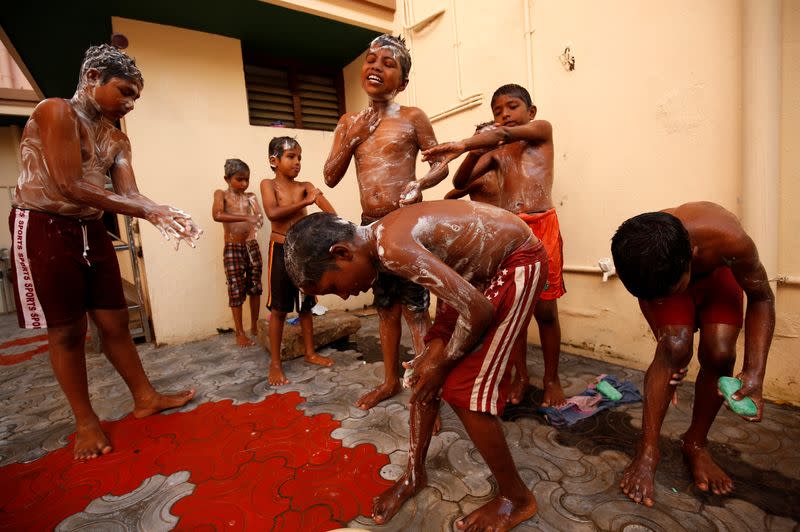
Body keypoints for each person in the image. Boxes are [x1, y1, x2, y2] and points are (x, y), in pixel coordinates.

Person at [283, 200, 547, 531]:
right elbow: (465, 300)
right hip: (473, 276)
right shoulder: (379, 246)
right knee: (424, 372)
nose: (347, 296)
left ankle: (517, 498)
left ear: (342, 253)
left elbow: (477, 311)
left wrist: (445, 361)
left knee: (462, 388)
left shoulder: (392, 248)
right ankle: (414, 476)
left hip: (515, 265)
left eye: (335, 287)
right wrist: (434, 361)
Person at [8, 44, 201, 460]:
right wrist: (148, 210)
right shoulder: (55, 110)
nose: (130, 104)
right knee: (67, 330)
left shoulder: (116, 138)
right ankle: (85, 421)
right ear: (93, 77)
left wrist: (164, 212)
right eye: (125, 91)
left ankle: (145, 397)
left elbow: (130, 193)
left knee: (115, 321)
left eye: (135, 98)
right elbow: (69, 185)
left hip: (90, 227)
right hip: (45, 225)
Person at [610, 202, 775, 506]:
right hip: (667, 275)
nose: (659, 301)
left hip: (718, 278)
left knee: (721, 352)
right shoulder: (640, 254)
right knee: (675, 346)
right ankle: (647, 451)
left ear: (693, 257)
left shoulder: (727, 239)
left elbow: (762, 296)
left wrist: (755, 370)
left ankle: (695, 443)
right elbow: (654, 299)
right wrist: (668, 353)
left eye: (668, 293)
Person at [323, 34, 450, 410]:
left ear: (403, 82)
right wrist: (353, 137)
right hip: (370, 228)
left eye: (388, 63)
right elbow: (330, 176)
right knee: (385, 307)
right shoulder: (349, 122)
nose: (376, 66)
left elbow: (439, 163)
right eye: (371, 59)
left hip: (408, 225)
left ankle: (427, 392)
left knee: (415, 310)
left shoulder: (413, 117)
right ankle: (391, 381)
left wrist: (421, 183)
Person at [423, 83, 567, 407]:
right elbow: (460, 184)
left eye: (512, 107)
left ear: (531, 112)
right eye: (497, 111)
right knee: (513, 309)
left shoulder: (541, 132)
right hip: (513, 232)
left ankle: (551, 379)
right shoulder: (498, 154)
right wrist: (473, 151)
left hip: (543, 227)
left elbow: (500, 136)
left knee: (545, 311)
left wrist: (461, 143)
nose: (504, 114)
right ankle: (520, 376)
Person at [260, 136, 336, 386]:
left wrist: (317, 197)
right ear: (274, 160)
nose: (297, 162)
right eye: (291, 157)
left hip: (303, 252)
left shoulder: (306, 185)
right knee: (280, 310)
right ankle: (275, 364)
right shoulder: (268, 185)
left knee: (306, 306)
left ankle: (310, 352)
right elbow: (272, 213)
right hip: (280, 249)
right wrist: (306, 201)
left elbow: (331, 213)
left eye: (299, 157)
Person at [212, 158, 264, 347]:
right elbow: (217, 214)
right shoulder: (221, 195)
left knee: (255, 286)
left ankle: (255, 327)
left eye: (247, 180)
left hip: (251, 245)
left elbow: (258, 219)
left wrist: (255, 219)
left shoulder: (250, 196)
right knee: (235, 288)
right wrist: (245, 216)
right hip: (233, 246)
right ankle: (240, 332)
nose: (244, 184)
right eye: (239, 179)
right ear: (227, 179)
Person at [444, 122, 501, 205]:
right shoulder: (479, 177)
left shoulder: (503, 166)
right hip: (488, 217)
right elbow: (449, 197)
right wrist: (469, 215)